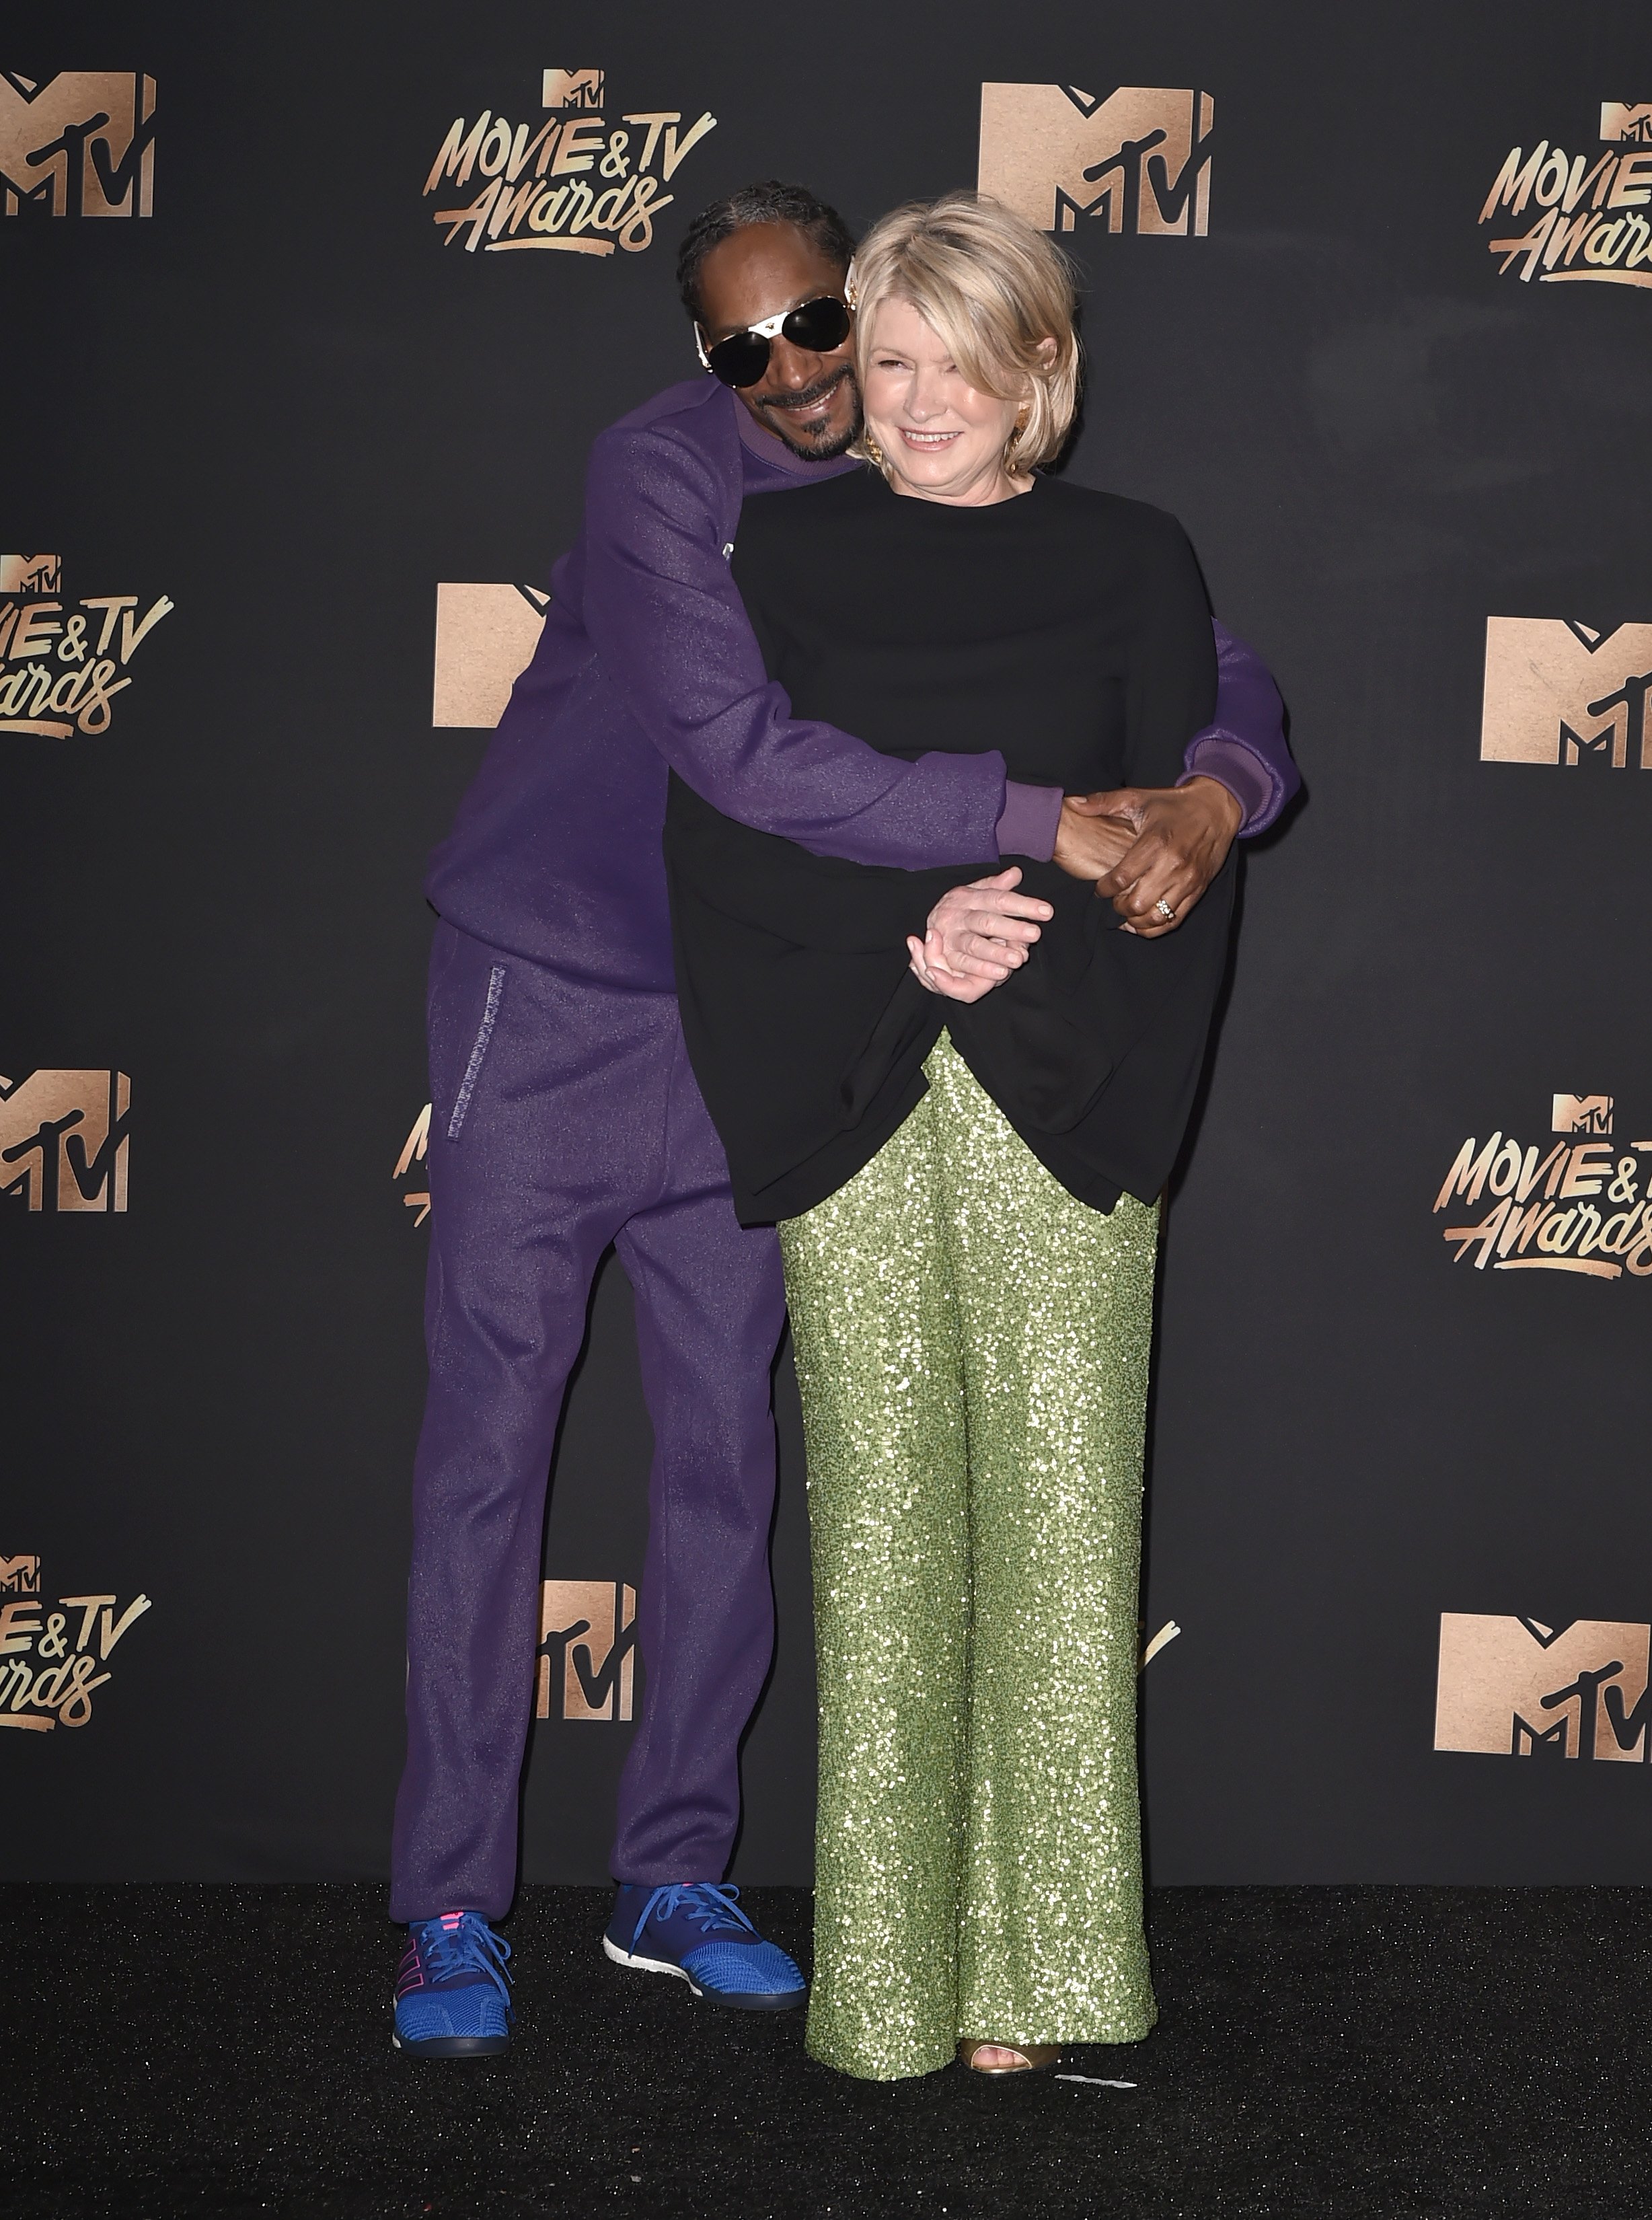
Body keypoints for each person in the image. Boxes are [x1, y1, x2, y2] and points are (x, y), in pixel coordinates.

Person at [388, 180, 1298, 2057]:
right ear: (699, 354)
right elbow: (745, 756)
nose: (807, 376)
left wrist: (1218, 784)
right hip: (556, 985)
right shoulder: (667, 480)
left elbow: (1204, 655)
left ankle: (671, 1868)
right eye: (758, 347)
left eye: (833, 328)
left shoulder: (937, 458)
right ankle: (455, 1896)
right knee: (493, 1441)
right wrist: (1048, 819)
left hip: (778, 1015)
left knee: (729, 1435)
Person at [665, 193, 1250, 2081]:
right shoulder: (780, 554)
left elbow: (1168, 833)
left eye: (962, 364)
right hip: (848, 1075)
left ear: (1040, 375)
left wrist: (1051, 936)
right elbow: (734, 823)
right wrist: (904, 931)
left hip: (1071, 1084)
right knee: (887, 1540)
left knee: (1067, 1538)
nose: (920, 403)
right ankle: (888, 1990)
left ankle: (1049, 1981)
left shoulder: (1141, 558)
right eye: (889, 361)